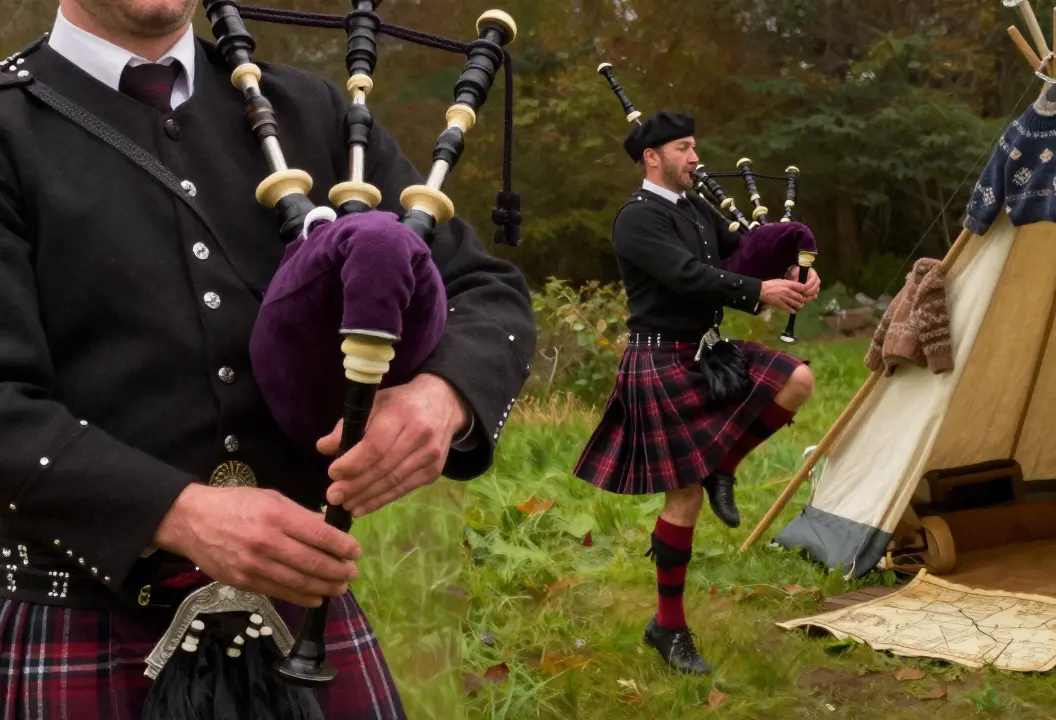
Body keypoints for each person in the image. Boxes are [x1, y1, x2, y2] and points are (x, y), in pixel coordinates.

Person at [0, 0, 534, 716]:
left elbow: (483, 288)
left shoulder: (310, 112)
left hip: (300, 619)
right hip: (83, 617)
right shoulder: (9, 126)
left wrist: (444, 395)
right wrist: (177, 512)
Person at [573, 110, 818, 675]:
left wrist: (796, 269)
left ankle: (720, 466)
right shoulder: (636, 220)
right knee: (682, 497)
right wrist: (760, 291)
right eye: (684, 148)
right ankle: (669, 626)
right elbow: (687, 275)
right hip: (659, 358)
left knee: (796, 380)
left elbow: (743, 250)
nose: (695, 158)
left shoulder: (697, 207)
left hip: (706, 351)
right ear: (652, 157)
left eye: (694, 147)